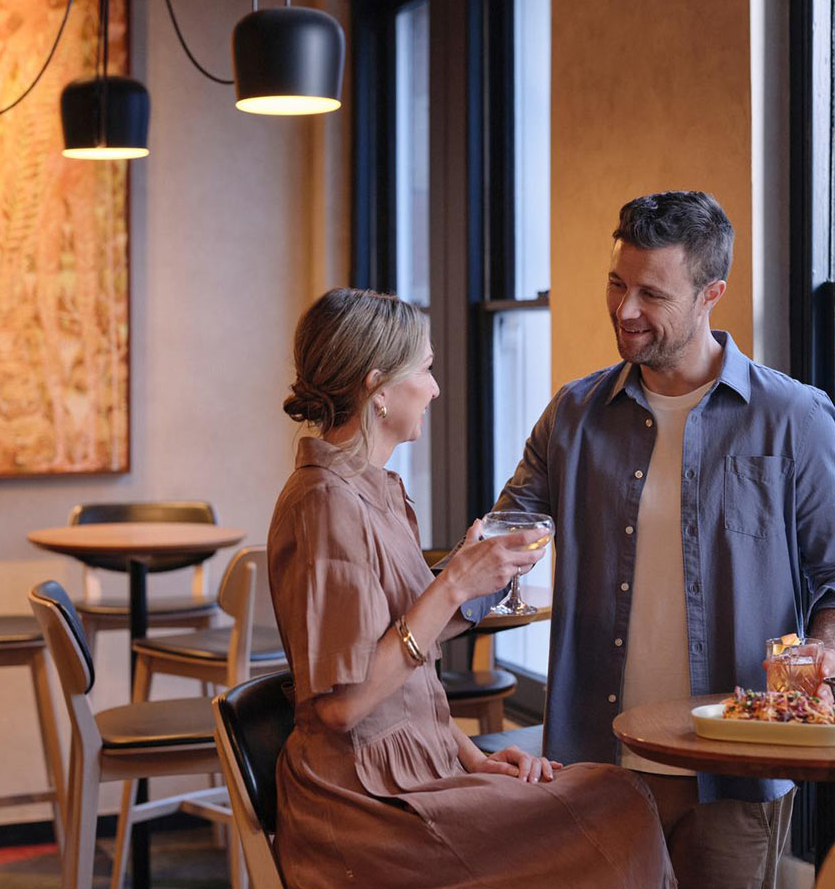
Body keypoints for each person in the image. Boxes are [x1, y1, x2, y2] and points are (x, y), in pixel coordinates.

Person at [489, 192, 835, 889]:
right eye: (617, 284)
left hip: (736, 769)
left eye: (651, 293)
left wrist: (829, 647)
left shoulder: (793, 417)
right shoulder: (572, 415)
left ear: (712, 294)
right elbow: (501, 541)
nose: (625, 311)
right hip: (594, 764)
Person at [267, 288, 676, 889]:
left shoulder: (376, 492)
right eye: (425, 370)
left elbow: (411, 687)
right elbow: (344, 705)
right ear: (378, 388)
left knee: (613, 795)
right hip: (365, 806)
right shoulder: (326, 504)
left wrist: (476, 759)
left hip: (421, 772)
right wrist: (455, 582)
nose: (434, 389)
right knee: (615, 808)